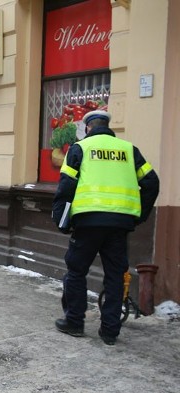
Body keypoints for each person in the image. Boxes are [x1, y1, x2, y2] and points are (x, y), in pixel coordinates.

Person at [52, 109, 159, 345]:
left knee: (77, 271)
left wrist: (62, 219)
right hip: (119, 224)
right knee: (114, 275)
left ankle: (75, 322)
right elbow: (151, 181)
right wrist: (139, 213)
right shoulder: (129, 150)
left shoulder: (80, 148)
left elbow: (66, 186)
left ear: (88, 127)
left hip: (88, 221)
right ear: (108, 127)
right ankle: (110, 331)